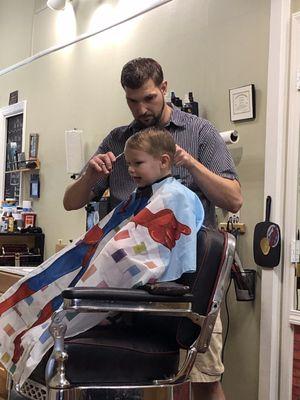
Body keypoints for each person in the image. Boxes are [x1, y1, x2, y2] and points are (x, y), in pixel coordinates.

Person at [63, 58, 243, 400]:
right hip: (127, 284)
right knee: (110, 377)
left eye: (148, 98)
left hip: (189, 285)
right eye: (132, 101)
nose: (141, 108)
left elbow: (233, 200)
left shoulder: (200, 132)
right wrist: (89, 174)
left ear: (163, 88)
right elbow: (71, 203)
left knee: (203, 380)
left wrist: (189, 162)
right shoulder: (118, 142)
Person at [0, 128, 204, 386]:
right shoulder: (143, 194)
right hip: (120, 297)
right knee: (32, 293)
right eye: (128, 164)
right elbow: (96, 227)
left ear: (164, 161)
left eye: (138, 163)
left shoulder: (175, 197)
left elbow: (147, 257)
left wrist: (108, 259)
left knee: (40, 326)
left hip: (139, 304)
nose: (130, 170)